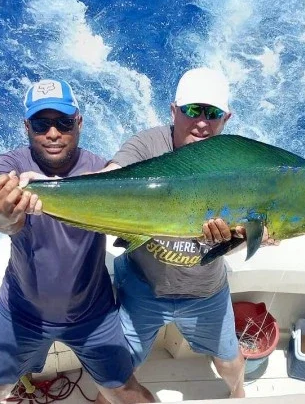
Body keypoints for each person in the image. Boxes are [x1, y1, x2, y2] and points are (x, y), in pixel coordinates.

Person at [0, 79, 154, 404]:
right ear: (27, 127)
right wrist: (1, 212)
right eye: (41, 124)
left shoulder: (102, 171)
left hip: (93, 315)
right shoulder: (11, 167)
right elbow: (3, 220)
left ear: (79, 122)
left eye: (63, 122)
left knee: (126, 391)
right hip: (22, 312)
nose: (53, 133)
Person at [101, 67, 279, 400]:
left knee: (230, 361)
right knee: (118, 370)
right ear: (173, 111)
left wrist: (251, 237)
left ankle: (238, 394)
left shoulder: (240, 164)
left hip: (205, 292)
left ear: (226, 118)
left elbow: (253, 223)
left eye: (212, 113)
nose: (202, 122)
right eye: (192, 110)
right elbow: (111, 175)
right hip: (143, 287)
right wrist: (50, 188)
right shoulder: (147, 144)